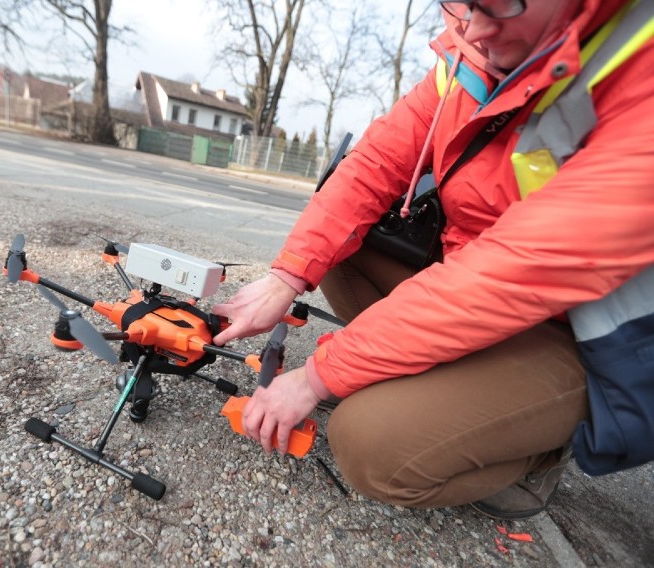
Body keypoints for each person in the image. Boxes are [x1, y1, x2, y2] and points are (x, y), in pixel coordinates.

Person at [211, 0, 654, 520]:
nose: (476, 27)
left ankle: (539, 450)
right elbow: (375, 164)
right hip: (478, 281)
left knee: (369, 444)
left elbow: (505, 276)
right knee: (336, 248)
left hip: (582, 335)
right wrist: (285, 276)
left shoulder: (638, 76)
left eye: (505, 5)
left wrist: (316, 376)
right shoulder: (471, 51)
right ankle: (431, 384)